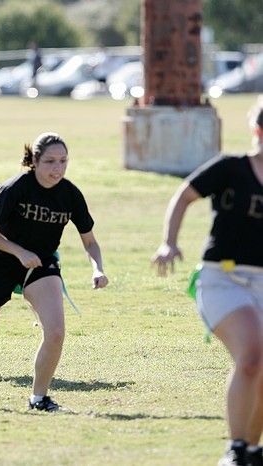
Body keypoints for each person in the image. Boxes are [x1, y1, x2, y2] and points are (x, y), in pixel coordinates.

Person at [0, 132, 108, 410]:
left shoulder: (70, 194)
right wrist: (20, 251)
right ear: (34, 161)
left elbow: (90, 242)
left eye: (63, 161)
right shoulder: (16, 188)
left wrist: (97, 269)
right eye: (50, 161)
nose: (57, 169)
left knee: (56, 332)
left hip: (40, 264)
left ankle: (38, 397)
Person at [151, 101, 263, 466]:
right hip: (222, 279)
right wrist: (169, 241)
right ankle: (235, 447)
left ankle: (251, 448)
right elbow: (183, 196)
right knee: (252, 356)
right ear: (258, 131)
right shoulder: (231, 167)